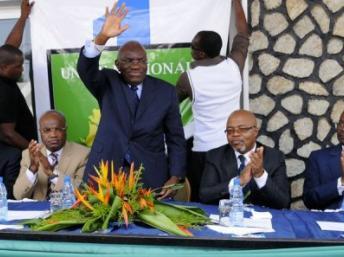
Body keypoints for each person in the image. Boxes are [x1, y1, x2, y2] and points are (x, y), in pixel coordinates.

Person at [77, 2, 186, 199]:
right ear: (118, 65)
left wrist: (175, 175)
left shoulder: (165, 92)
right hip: (105, 172)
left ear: (146, 63)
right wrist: (102, 38)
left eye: (141, 61)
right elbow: (86, 69)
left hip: (150, 175)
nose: (136, 65)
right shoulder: (108, 82)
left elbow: (176, 138)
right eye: (129, 61)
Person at [176, 0, 249, 201]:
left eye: (192, 47)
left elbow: (170, 105)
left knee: (202, 203)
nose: (190, 50)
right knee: (230, 199)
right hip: (230, 150)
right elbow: (242, 33)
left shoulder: (188, 78)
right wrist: (236, 3)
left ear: (199, 53)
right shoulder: (235, 66)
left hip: (203, 152)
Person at [199, 110, 290, 209]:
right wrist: (238, 181)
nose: (235, 134)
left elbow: (284, 202)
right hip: (228, 217)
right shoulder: (215, 156)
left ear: (255, 132)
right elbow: (204, 195)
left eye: (242, 129)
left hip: (262, 219)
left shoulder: (274, 158)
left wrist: (260, 175)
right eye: (230, 130)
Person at [0, 0, 35, 199]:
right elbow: (8, 134)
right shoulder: (3, 91)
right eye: (18, 67)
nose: (22, 70)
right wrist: (33, 150)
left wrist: (23, 18)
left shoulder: (3, 64)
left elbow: (10, 46)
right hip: (10, 156)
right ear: (4, 68)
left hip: (12, 152)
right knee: (13, 198)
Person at [13, 111, 90, 200]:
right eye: (47, 130)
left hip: (67, 210)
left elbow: (82, 193)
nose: (53, 135)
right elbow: (18, 195)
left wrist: (52, 172)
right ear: (40, 132)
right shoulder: (29, 154)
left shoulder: (83, 154)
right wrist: (33, 168)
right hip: (38, 211)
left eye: (58, 129)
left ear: (65, 130)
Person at [303, 111, 344, 210]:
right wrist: (341, 183)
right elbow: (309, 200)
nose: (342, 129)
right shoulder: (318, 158)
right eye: (341, 123)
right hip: (331, 222)